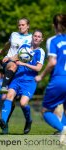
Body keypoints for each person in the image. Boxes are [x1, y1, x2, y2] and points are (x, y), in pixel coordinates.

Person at [0, 30, 45, 134]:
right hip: (17, 78)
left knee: (23, 103)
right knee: (9, 96)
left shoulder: (40, 52)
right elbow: (16, 57)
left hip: (29, 81)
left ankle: (28, 121)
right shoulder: (24, 46)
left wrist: (25, 64)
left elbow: (38, 68)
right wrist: (8, 58)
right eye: (35, 36)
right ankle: (3, 122)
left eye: (39, 37)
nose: (36, 38)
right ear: (32, 37)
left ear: (41, 39)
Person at [35, 14, 66, 144]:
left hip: (60, 79)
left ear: (54, 25)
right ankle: (62, 135)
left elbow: (52, 62)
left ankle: (63, 129)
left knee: (46, 110)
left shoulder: (53, 40)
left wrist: (41, 75)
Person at [0, 18, 32, 94]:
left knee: (12, 96)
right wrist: (3, 50)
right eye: (19, 25)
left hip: (22, 65)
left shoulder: (31, 38)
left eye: (23, 25)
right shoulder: (14, 34)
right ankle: (3, 86)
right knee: (13, 66)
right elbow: (8, 43)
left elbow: (27, 53)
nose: (20, 27)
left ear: (28, 26)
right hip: (9, 61)